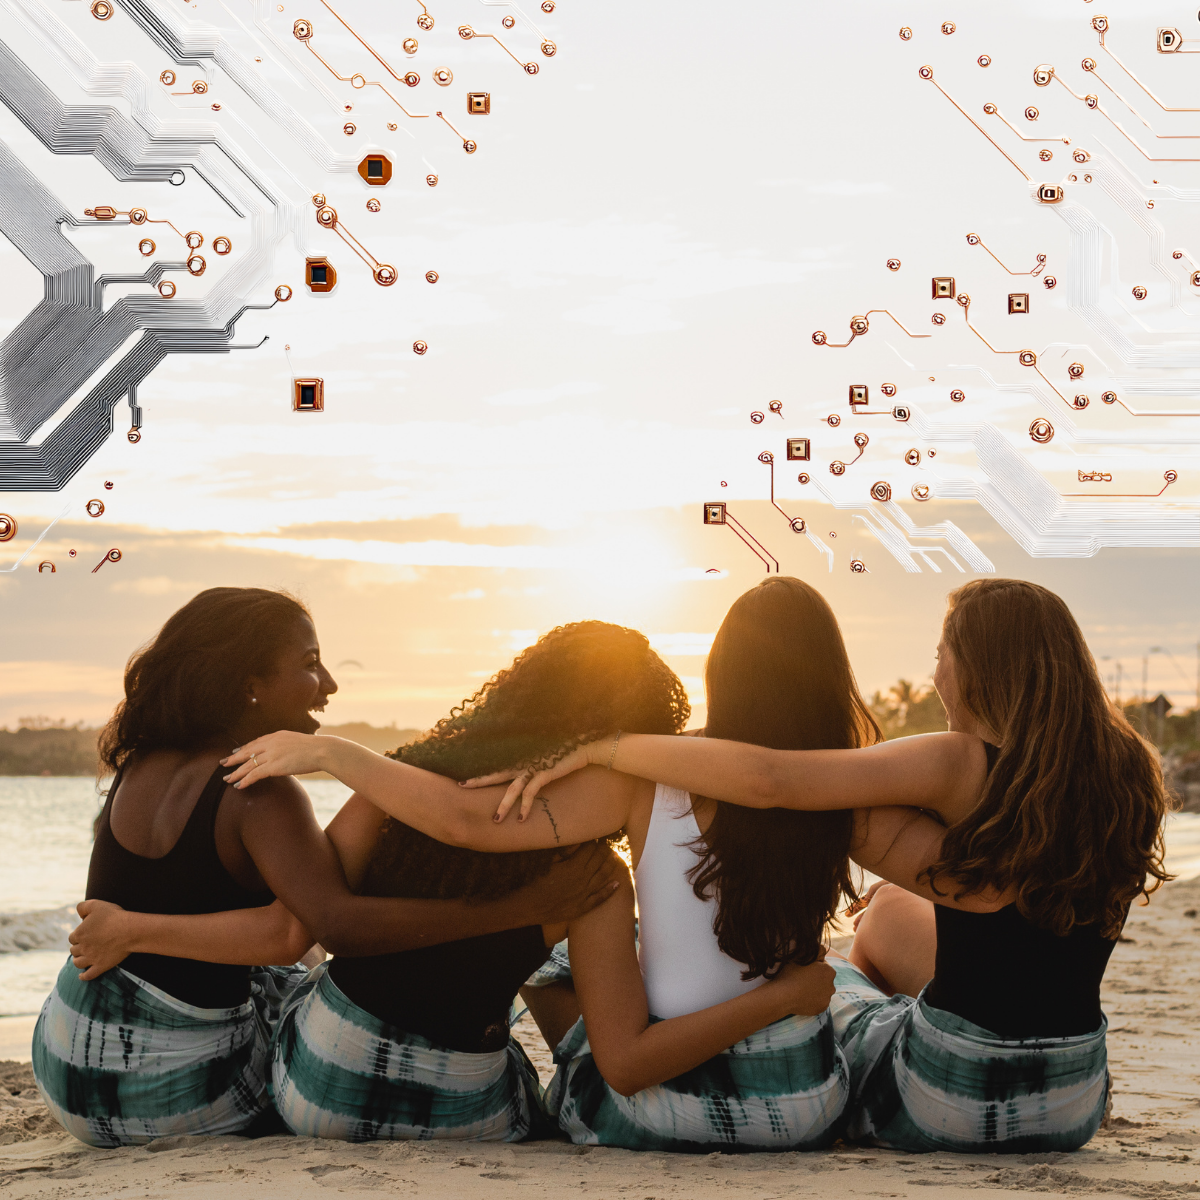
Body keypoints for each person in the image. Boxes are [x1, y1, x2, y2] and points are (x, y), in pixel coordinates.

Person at [163, 578, 964, 1151]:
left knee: (556, 971)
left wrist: (335, 754)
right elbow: (964, 879)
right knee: (852, 980)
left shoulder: (638, 779)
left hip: (642, 1108)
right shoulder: (844, 796)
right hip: (801, 1111)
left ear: (722, 669)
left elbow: (464, 820)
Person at [460, 578, 1173, 1154]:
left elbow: (772, 780)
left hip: (947, 1096)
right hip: (1076, 1093)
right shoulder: (1128, 770)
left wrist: (606, 747)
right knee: (889, 912)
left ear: (983, 665)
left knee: (850, 998)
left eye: (942, 650)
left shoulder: (954, 759)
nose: (934, 670)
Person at [42, 589, 621, 1148]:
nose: (330, 685)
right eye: (311, 664)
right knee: (308, 1002)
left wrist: (133, 930)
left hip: (68, 1060)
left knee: (288, 983)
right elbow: (317, 928)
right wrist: (526, 909)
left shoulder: (140, 765)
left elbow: (270, 926)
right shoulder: (260, 794)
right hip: (166, 1097)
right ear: (249, 685)